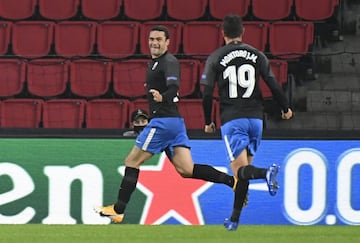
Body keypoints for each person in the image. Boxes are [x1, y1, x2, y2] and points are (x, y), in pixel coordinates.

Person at [95, 25, 237, 223]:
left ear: (168, 42)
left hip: (162, 122)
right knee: (186, 169)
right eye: (152, 39)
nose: (154, 42)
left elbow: (174, 87)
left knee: (132, 161)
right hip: (175, 123)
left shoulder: (168, 61)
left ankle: (118, 210)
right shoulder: (154, 63)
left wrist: (163, 97)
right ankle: (232, 181)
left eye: (159, 39)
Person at [201, 14, 293, 231]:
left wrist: (208, 121)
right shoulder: (257, 54)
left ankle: (265, 173)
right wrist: (285, 107)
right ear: (242, 32)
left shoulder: (216, 57)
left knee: (240, 171)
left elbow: (206, 94)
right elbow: (272, 83)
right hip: (256, 119)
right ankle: (234, 219)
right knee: (244, 171)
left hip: (233, 119)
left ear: (222, 33)